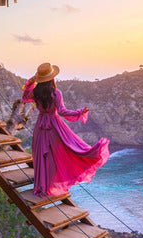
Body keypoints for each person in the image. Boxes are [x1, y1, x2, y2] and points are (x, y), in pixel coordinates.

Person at [21, 62, 110, 196]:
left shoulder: (36, 92)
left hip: (40, 126)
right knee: (63, 151)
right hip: (54, 126)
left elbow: (25, 96)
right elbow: (62, 111)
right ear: (52, 78)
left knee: (41, 154)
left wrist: (31, 82)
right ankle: (51, 184)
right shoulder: (56, 93)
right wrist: (79, 113)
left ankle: (41, 185)